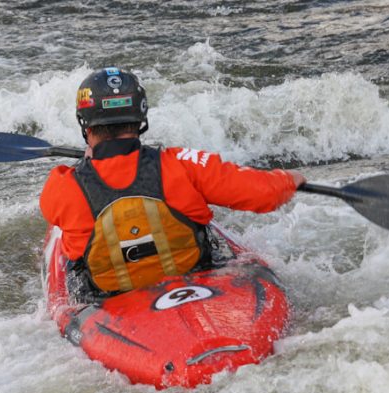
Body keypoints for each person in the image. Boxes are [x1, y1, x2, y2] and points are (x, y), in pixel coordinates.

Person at [40, 67, 305, 300]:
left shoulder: (62, 186)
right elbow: (261, 194)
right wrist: (288, 180)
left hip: (110, 301)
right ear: (140, 117)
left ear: (85, 124)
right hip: (194, 282)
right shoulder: (182, 164)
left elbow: (55, 217)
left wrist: (88, 164)